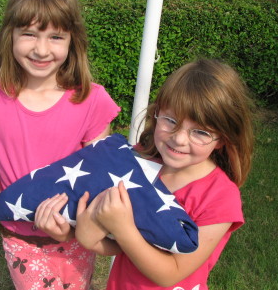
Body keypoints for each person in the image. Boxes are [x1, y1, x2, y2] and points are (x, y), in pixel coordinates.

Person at [0, 0, 120, 290]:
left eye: (56, 37)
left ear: (73, 40)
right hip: (21, 237)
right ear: (10, 34)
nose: (41, 49)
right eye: (29, 34)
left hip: (75, 234)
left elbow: (103, 173)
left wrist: (77, 229)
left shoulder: (91, 100)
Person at [75, 59, 254, 290]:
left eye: (200, 132)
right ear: (157, 113)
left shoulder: (220, 198)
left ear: (222, 139)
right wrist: (93, 240)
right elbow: (126, 246)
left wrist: (122, 227)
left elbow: (171, 274)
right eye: (171, 120)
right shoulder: (138, 164)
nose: (179, 138)